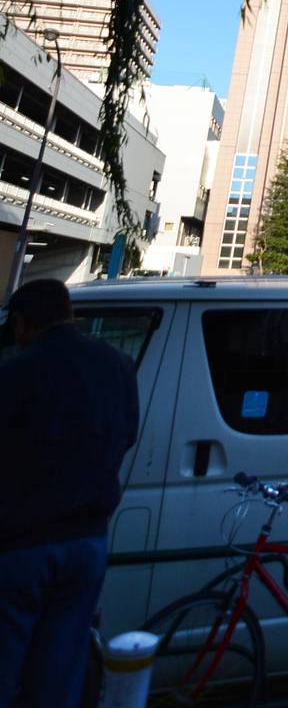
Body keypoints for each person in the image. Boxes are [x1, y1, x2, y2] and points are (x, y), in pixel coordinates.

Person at [0, 277, 138, 708]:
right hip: (88, 540)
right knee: (61, 665)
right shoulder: (117, 364)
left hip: (21, 541)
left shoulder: (19, 370)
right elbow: (128, 434)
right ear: (70, 315)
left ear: (22, 325)